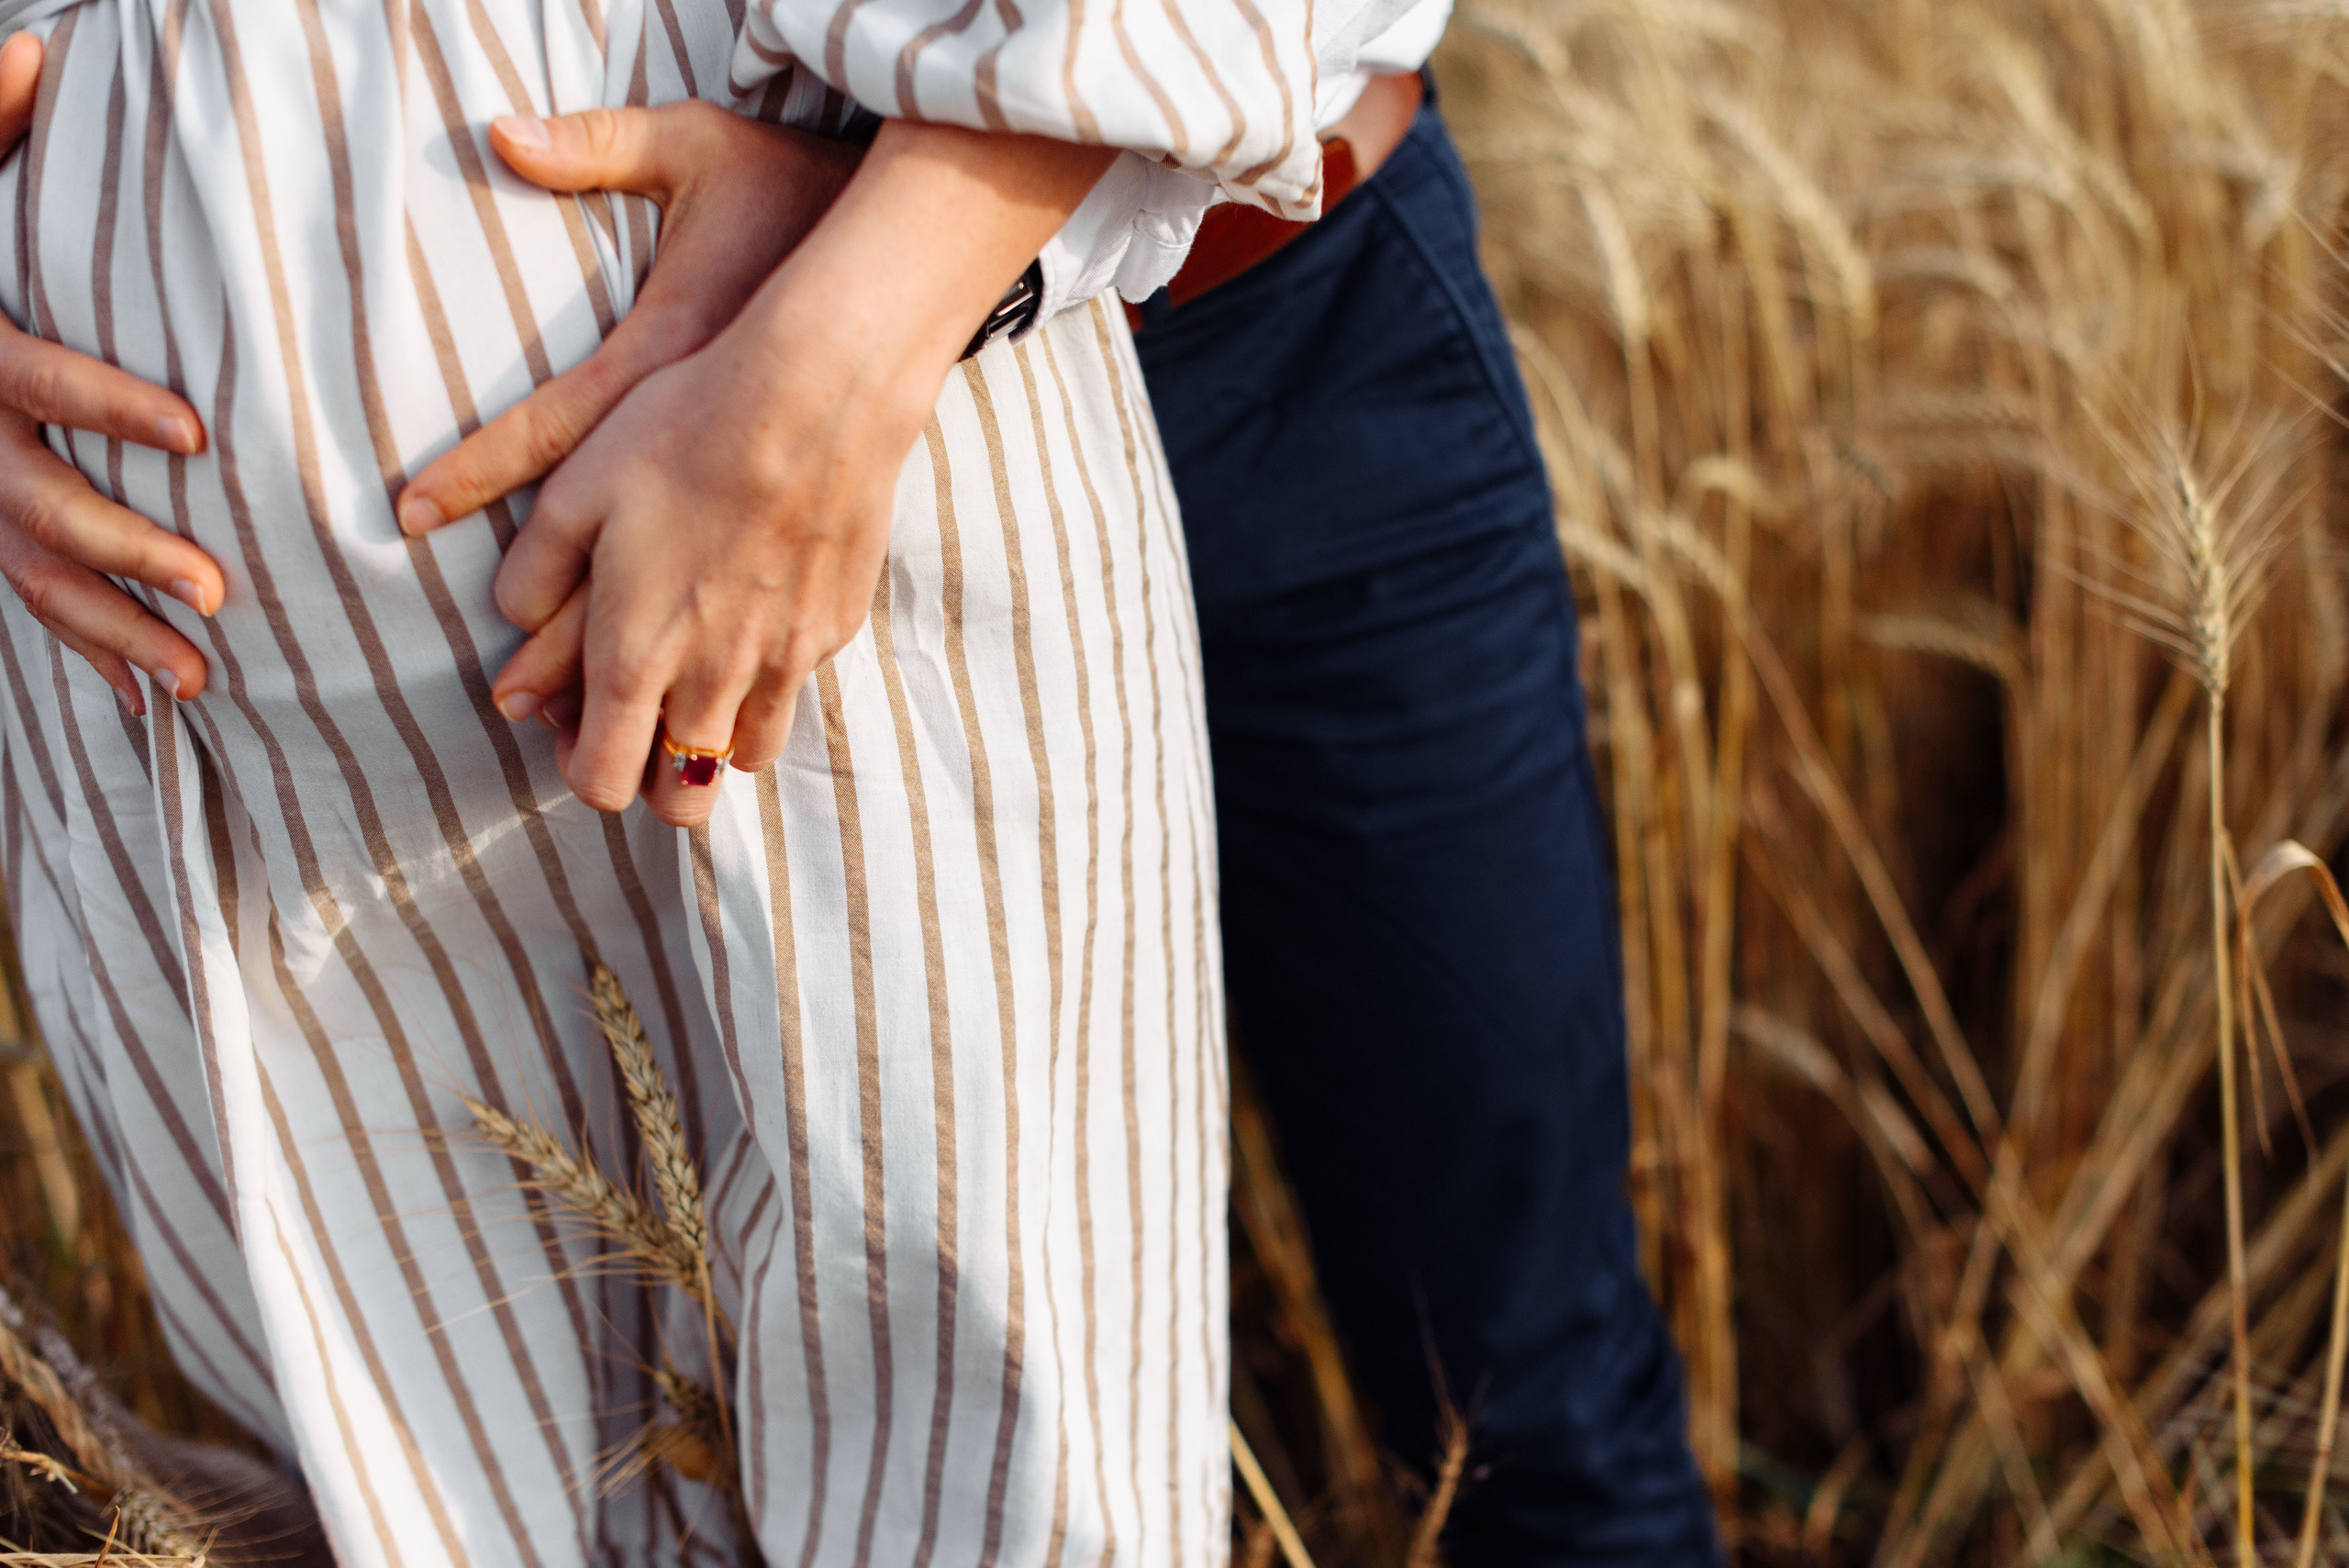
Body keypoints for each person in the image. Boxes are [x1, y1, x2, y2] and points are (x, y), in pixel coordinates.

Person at [0, 1, 1404, 1561]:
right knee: (411, 1485)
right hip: (172, 679)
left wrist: (847, 346)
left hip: (838, 445)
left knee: (999, 1438)